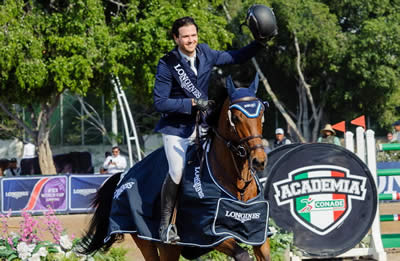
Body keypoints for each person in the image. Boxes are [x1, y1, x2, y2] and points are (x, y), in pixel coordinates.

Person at [153, 8, 278, 243]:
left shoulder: (206, 53)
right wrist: (191, 102)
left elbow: (236, 57)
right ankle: (167, 225)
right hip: (177, 130)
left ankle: (256, 217)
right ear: (176, 39)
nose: (191, 40)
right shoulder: (167, 64)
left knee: (237, 153)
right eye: (185, 36)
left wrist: (260, 43)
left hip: (202, 124)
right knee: (177, 171)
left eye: (193, 35)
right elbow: (160, 102)